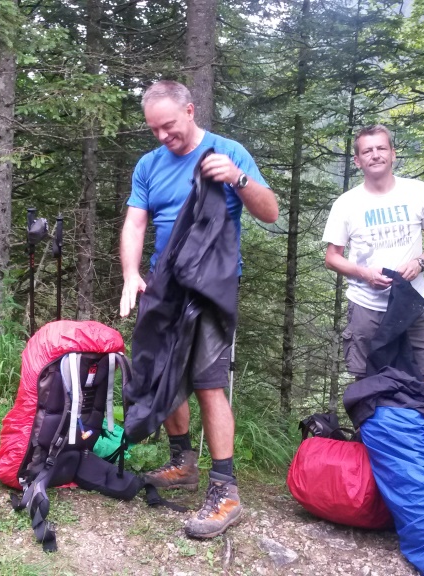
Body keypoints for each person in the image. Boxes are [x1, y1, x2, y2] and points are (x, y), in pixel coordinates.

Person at [119, 80, 278, 538]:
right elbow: (135, 221)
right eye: (154, 130)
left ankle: (225, 490)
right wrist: (132, 274)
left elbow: (269, 212)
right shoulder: (149, 165)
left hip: (212, 284)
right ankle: (182, 462)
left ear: (189, 111)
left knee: (208, 383)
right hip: (164, 281)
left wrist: (239, 178)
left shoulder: (228, 152)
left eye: (168, 126)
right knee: (162, 370)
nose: (162, 137)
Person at [322, 124, 424, 386]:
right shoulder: (346, 204)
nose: (375, 155)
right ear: (357, 161)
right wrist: (364, 274)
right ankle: (371, 429)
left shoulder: (418, 192)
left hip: (411, 302)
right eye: (367, 151)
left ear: (393, 154)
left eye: (381, 148)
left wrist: (419, 263)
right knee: (368, 385)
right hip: (366, 307)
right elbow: (332, 257)